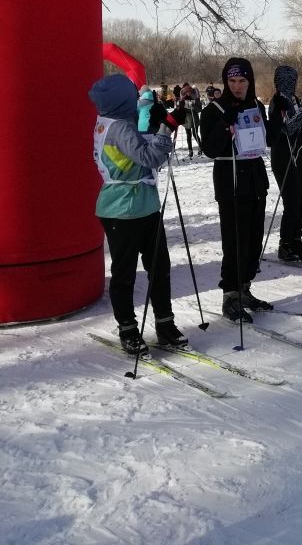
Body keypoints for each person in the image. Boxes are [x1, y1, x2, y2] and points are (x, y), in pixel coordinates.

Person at [89, 74, 189, 354]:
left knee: (157, 265)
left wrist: (158, 126)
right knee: (128, 273)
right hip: (124, 208)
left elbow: (134, 147)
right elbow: (149, 157)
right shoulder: (120, 126)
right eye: (132, 97)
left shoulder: (107, 121)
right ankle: (129, 329)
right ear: (121, 100)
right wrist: (166, 128)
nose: (136, 101)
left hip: (140, 204)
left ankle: (164, 324)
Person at [199, 57, 273, 323]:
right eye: (232, 81)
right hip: (230, 180)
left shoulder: (255, 105)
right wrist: (224, 126)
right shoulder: (214, 110)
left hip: (254, 178)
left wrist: (281, 117)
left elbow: (267, 138)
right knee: (235, 241)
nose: (238, 86)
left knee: (254, 240)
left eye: (242, 80)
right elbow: (209, 149)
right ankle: (229, 294)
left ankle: (244, 288)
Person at [268, 65, 302, 264]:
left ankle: (296, 241)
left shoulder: (293, 99)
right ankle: (285, 244)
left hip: (299, 154)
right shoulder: (277, 101)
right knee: (292, 201)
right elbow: (289, 127)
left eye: (293, 80)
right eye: (289, 81)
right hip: (284, 155)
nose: (291, 84)